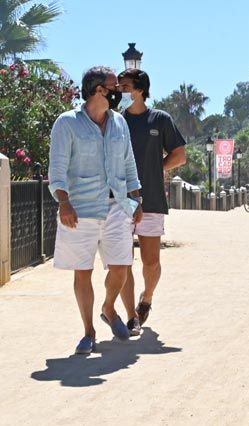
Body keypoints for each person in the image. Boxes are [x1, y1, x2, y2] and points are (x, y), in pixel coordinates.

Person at [48, 66, 143, 354]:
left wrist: (136, 199)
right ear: (98, 90)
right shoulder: (67, 124)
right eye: (115, 87)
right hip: (80, 209)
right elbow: (57, 168)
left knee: (121, 267)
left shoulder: (119, 123)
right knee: (83, 272)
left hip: (117, 207)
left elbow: (129, 163)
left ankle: (108, 307)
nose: (120, 92)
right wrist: (63, 202)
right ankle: (88, 332)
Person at [117, 68, 187, 334]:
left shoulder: (160, 119)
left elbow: (179, 155)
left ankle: (146, 299)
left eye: (124, 86)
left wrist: (157, 168)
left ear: (140, 89)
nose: (120, 91)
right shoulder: (115, 121)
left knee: (150, 262)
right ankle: (131, 315)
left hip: (152, 200)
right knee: (123, 261)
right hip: (120, 202)